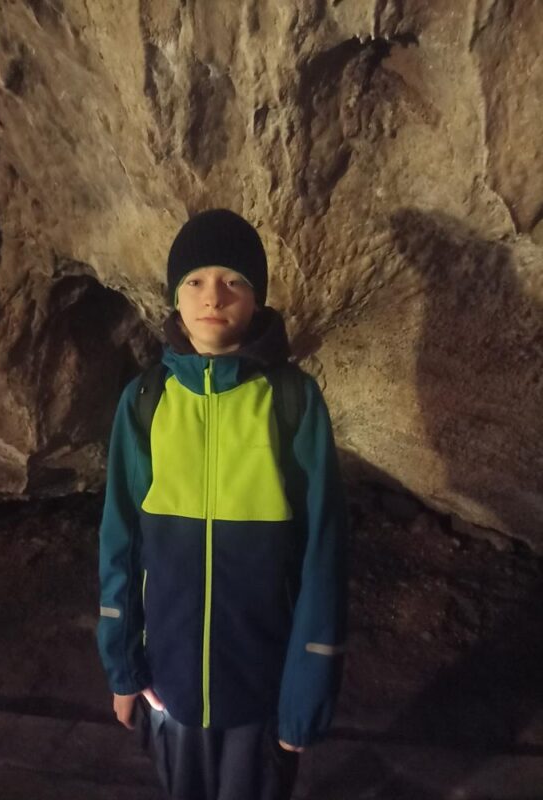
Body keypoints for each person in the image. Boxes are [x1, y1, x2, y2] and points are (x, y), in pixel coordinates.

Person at [97, 209, 348, 800]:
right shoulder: (145, 401)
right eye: (195, 280)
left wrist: (306, 696)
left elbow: (324, 555)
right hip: (170, 686)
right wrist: (123, 670)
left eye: (234, 280)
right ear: (174, 298)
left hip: (261, 690)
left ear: (257, 299)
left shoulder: (291, 401)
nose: (213, 296)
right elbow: (120, 543)